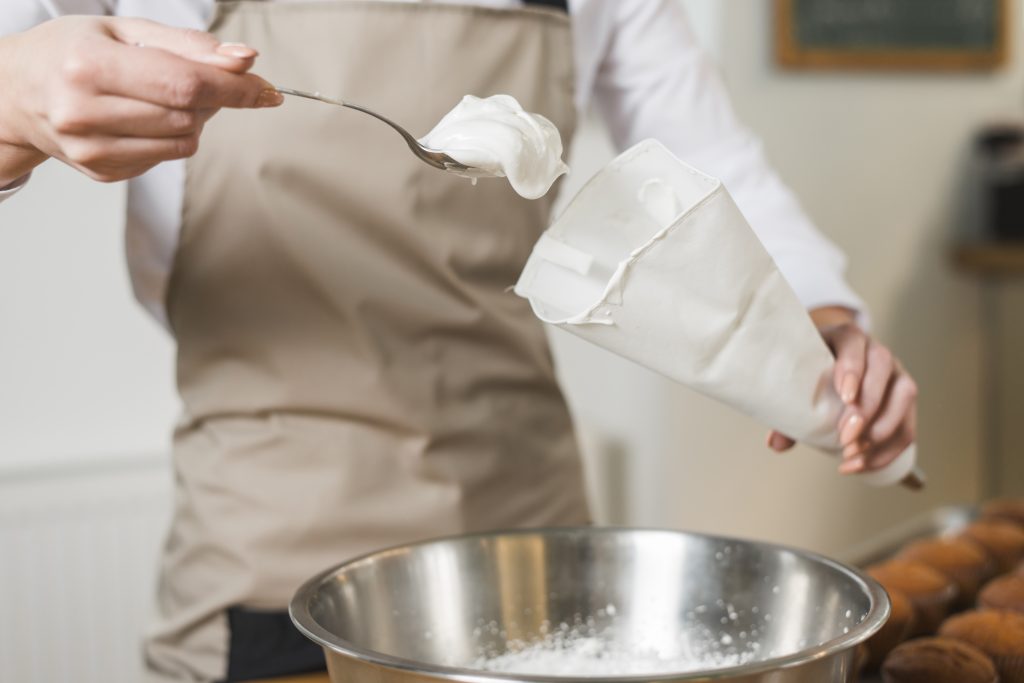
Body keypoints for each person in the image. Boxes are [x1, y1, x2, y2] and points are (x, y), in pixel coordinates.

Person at [0, 1, 918, 680]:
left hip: (536, 551)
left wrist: (824, 326)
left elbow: (717, 172)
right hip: (270, 574)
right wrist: (12, 101)